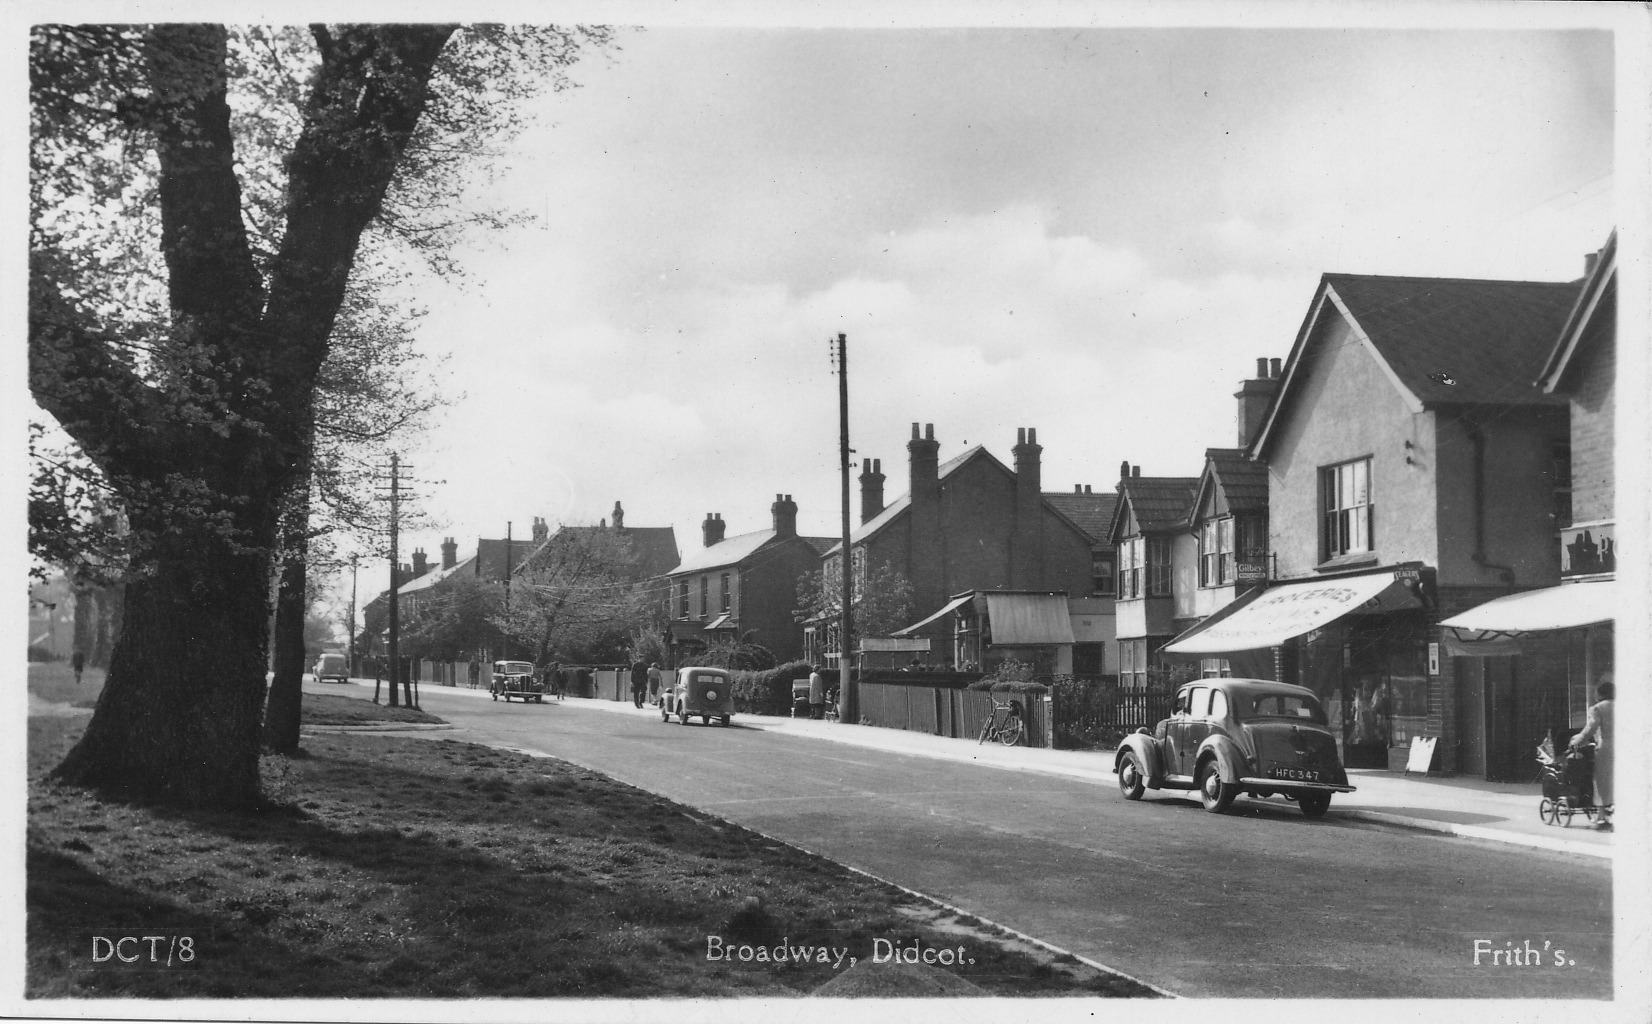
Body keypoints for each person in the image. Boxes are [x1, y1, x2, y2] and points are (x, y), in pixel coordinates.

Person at [1569, 679, 1614, 830]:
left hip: (1606, 748)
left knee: (1601, 781)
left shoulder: (1597, 708)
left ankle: (1601, 816)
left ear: (1600, 693)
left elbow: (1590, 729)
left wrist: (1576, 741)